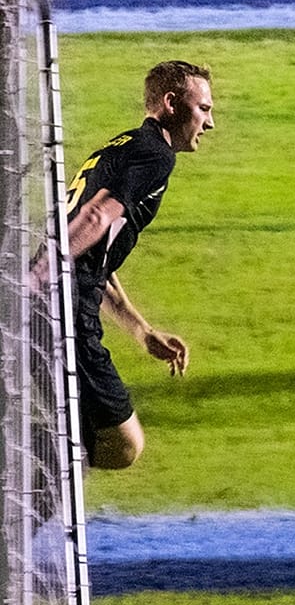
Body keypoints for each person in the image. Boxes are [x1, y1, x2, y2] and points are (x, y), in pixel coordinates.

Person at [62, 59, 212, 469]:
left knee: (76, 438)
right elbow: (94, 219)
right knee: (122, 445)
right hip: (67, 315)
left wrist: (141, 331)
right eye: (204, 109)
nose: (210, 123)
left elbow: (95, 259)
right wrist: (40, 278)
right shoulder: (157, 157)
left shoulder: (120, 147)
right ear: (170, 103)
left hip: (61, 300)